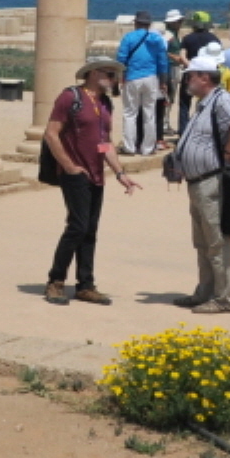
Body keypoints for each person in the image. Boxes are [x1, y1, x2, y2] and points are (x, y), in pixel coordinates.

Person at [42, 59, 137, 304]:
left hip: (96, 174)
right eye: (110, 74)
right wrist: (69, 166)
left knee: (90, 229)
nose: (115, 79)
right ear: (93, 73)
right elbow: (51, 134)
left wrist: (120, 173)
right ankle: (55, 281)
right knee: (78, 226)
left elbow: (105, 142)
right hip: (75, 174)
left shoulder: (105, 103)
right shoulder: (70, 97)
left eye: (116, 75)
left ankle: (85, 285)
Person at [171, 50, 230, 314]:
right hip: (198, 182)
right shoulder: (205, 102)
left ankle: (223, 298)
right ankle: (205, 292)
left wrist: (229, 150)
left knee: (216, 242)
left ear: (204, 78)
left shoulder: (221, 100)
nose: (187, 81)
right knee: (203, 242)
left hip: (212, 181)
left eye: (190, 76)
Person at [115, 13, 170, 155]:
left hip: (132, 77)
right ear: (149, 24)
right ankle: (148, 148)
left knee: (130, 113)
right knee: (149, 113)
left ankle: (129, 147)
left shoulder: (128, 37)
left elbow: (121, 59)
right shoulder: (156, 39)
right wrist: (163, 81)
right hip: (151, 78)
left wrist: (119, 76)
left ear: (136, 23)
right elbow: (162, 61)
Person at [175, 10, 219, 135]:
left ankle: (183, 132)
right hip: (208, 75)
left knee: (184, 104)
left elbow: (182, 56)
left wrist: (192, 67)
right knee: (207, 103)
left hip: (190, 74)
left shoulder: (187, 38)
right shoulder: (214, 39)